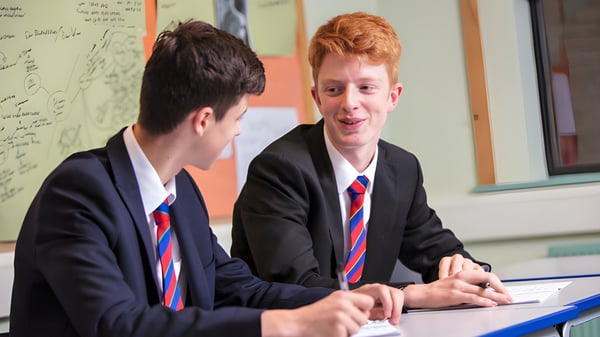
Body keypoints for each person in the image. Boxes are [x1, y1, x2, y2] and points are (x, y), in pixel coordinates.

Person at [9, 20, 404, 337]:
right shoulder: (78, 193)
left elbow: (237, 286)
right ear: (202, 121)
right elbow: (117, 324)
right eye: (237, 119)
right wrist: (284, 325)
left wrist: (341, 298)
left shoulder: (179, 192)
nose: (236, 133)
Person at [230, 12, 512, 310]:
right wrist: (411, 294)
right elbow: (296, 286)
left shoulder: (401, 169)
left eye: (366, 87)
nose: (349, 103)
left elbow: (434, 248)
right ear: (318, 98)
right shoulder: (280, 170)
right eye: (334, 89)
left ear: (393, 96)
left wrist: (458, 266)